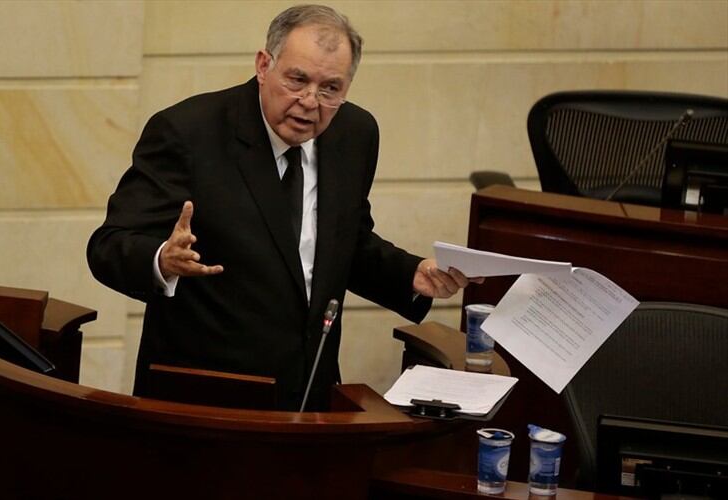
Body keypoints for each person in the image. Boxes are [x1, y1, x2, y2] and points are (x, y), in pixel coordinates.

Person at [87, 4, 480, 410]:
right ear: (263, 65)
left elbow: (344, 242)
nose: (311, 101)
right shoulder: (188, 132)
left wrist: (410, 274)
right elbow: (108, 245)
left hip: (310, 394)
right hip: (206, 401)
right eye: (297, 80)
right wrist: (161, 259)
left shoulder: (354, 134)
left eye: (331, 88)